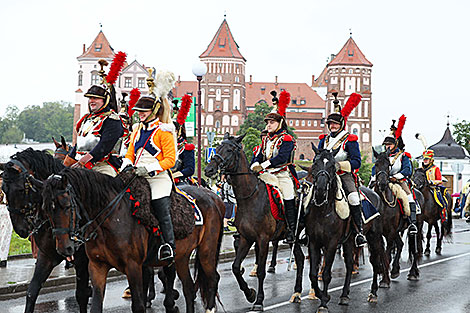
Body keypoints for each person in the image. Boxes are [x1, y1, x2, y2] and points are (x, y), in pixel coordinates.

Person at [120, 70, 177, 262]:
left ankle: (168, 245)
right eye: (138, 112)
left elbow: (170, 160)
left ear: (153, 111)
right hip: (136, 173)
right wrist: (126, 165)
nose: (140, 115)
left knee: (160, 206)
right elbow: (130, 153)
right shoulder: (136, 130)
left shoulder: (164, 131)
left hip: (158, 177)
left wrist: (150, 168)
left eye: (143, 112)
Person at [318, 92, 366, 247]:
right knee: (308, 197)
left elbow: (356, 162)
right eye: (330, 124)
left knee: (353, 198)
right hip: (324, 174)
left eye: (336, 124)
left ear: (341, 125)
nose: (333, 126)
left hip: (343, 175)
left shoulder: (349, 140)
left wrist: (339, 165)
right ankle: (305, 229)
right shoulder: (323, 140)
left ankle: (358, 231)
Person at [250, 90, 299, 244]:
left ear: (280, 123)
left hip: (283, 174)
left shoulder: (287, 139)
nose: (268, 125)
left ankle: (291, 230)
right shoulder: (266, 140)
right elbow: (258, 155)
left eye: (272, 122)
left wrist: (264, 164)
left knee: (288, 196)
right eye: (267, 123)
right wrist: (255, 164)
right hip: (266, 174)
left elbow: (282, 158)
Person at [72, 56, 127, 176]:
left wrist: (84, 161)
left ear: (105, 101)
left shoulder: (112, 120)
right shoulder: (86, 119)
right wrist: (67, 161)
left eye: (96, 98)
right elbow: (79, 145)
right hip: (80, 164)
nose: (91, 101)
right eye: (90, 98)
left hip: (103, 165)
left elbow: (105, 145)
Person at [375, 115, 418, 234]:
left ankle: (412, 223)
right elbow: (376, 168)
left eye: (390, 144)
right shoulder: (383, 156)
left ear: (395, 144)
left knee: (408, 197)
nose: (387, 146)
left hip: (398, 181)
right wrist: (375, 177)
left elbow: (407, 170)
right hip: (382, 180)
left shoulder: (403, 156)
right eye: (386, 145)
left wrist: (396, 177)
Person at [171, 95, 195, 185]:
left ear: (178, 131)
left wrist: (176, 175)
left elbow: (190, 169)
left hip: (180, 180)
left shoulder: (186, 148)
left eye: (173, 130)